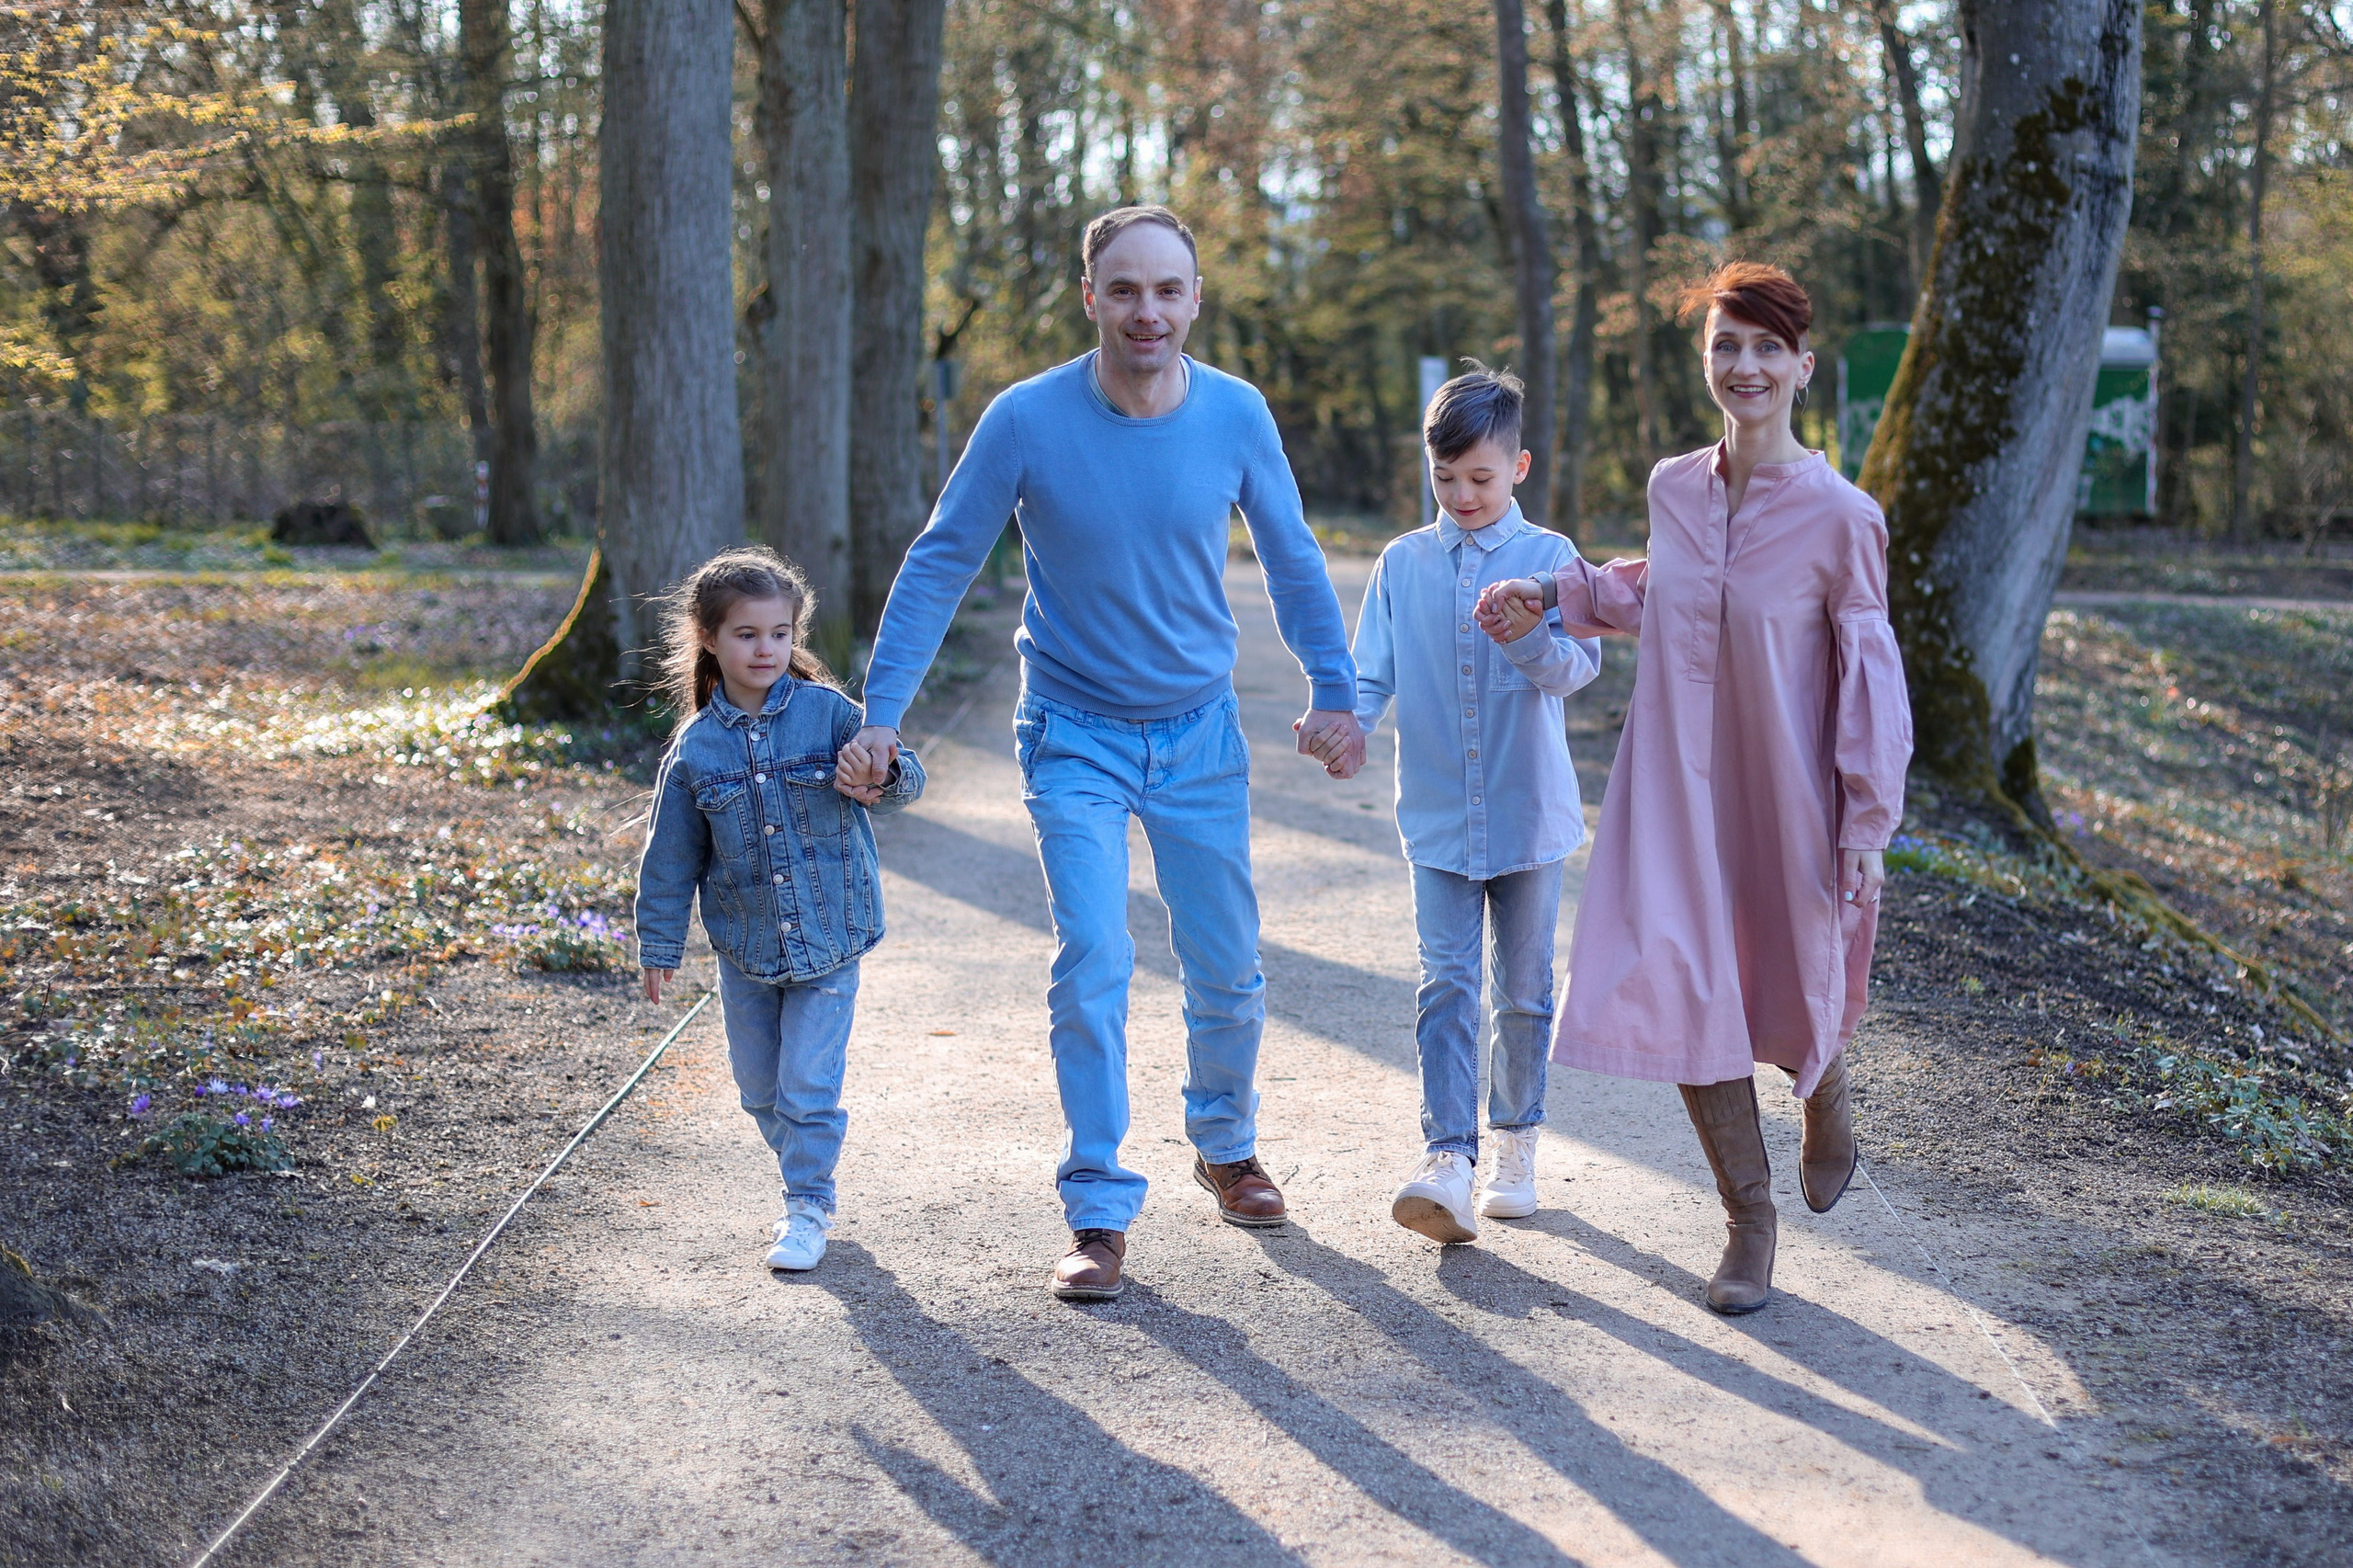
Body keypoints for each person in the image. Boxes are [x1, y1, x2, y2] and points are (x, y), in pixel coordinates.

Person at [835, 205, 1362, 1302]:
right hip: (1071, 730)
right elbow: (940, 563)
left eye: (1167, 289)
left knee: (1224, 962)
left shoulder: (1235, 413)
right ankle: (1097, 1204)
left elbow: (1295, 556)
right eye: (1123, 289)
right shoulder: (1026, 419)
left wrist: (1336, 692)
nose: (1146, 311)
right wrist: (881, 711)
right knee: (1094, 960)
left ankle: (1225, 1143)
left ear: (1195, 300)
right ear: (1090, 298)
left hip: (1198, 733)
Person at [1481, 261, 1913, 1315]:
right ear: (1705, 361)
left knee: (1787, 976)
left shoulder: (1843, 516)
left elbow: (1869, 674)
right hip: (1672, 787)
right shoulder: (1674, 485)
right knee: (1678, 982)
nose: (1746, 364)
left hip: (1787, 794)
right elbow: (1666, 586)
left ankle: (1826, 1086)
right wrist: (1554, 590)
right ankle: (1748, 1219)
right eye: (1727, 345)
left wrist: (1866, 818)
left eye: (1767, 347)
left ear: (1803, 367)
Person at [1349, 365, 1601, 1245]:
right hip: (1438, 818)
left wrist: (1532, 635)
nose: (1462, 493)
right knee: (1446, 985)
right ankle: (1445, 1156)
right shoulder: (1402, 563)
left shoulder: (1554, 559)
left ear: (1519, 467)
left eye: (1481, 478)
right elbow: (1366, 675)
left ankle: (1515, 1147)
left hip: (1530, 816)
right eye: (1445, 476)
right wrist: (1343, 725)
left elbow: (1577, 671)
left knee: (1524, 991)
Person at [635, 546, 926, 1275]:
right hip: (748, 949)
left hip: (831, 939)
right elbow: (670, 858)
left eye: (779, 633)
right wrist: (659, 944)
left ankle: (807, 1203)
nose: (766, 649)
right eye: (746, 634)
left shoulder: (829, 715)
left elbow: (907, 776)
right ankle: (803, 1157)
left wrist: (878, 768)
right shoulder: (697, 750)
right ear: (709, 638)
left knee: (805, 1089)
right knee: (759, 1091)